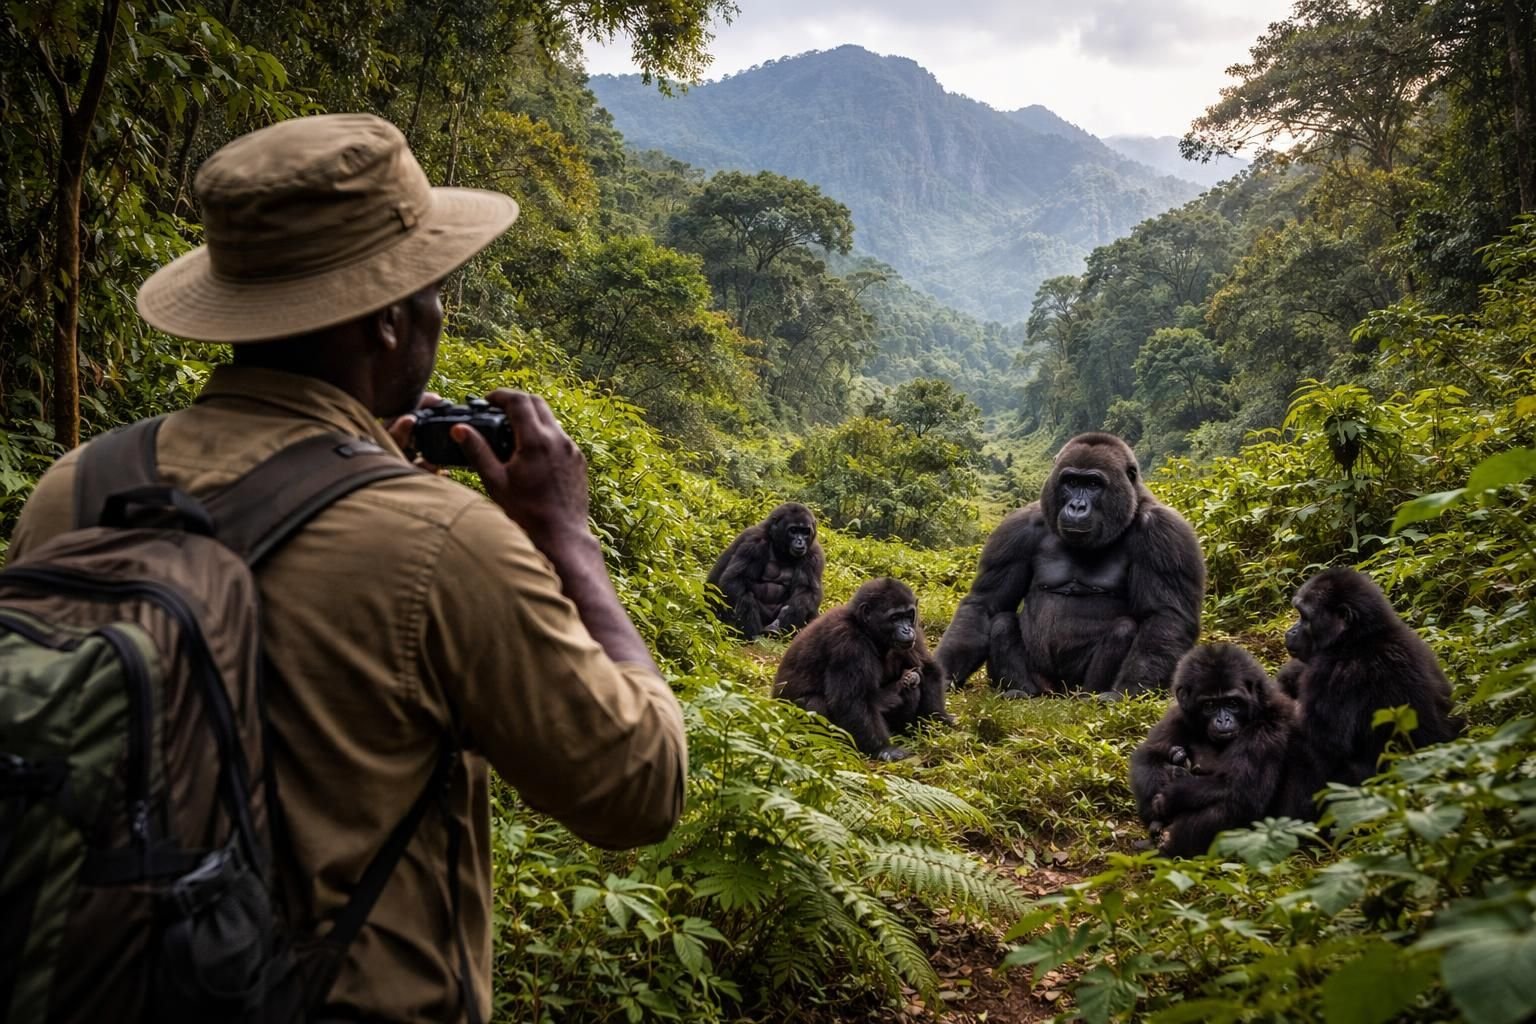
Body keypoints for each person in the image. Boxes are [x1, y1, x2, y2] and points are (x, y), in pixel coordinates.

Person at [9, 112, 688, 1022]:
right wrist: (566, 536)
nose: (438, 317)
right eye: (435, 294)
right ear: (386, 321)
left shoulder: (74, 487)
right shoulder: (445, 544)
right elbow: (639, 786)